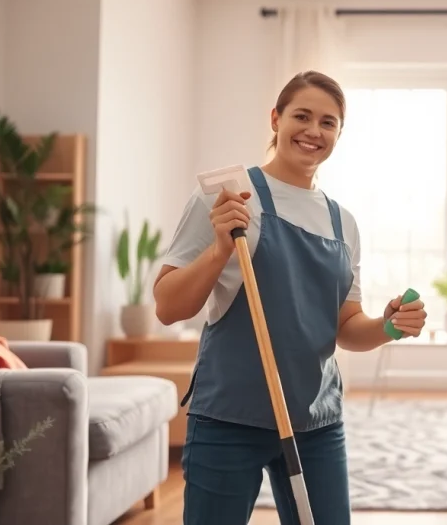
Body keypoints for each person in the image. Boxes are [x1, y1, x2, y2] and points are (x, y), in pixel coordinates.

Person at [153, 70, 428, 525]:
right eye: (302, 116)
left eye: (328, 122)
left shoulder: (344, 223)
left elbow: (345, 327)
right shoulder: (227, 199)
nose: (313, 131)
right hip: (229, 417)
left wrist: (387, 326)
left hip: (315, 420)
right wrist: (221, 249)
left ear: (340, 133)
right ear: (276, 118)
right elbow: (167, 306)